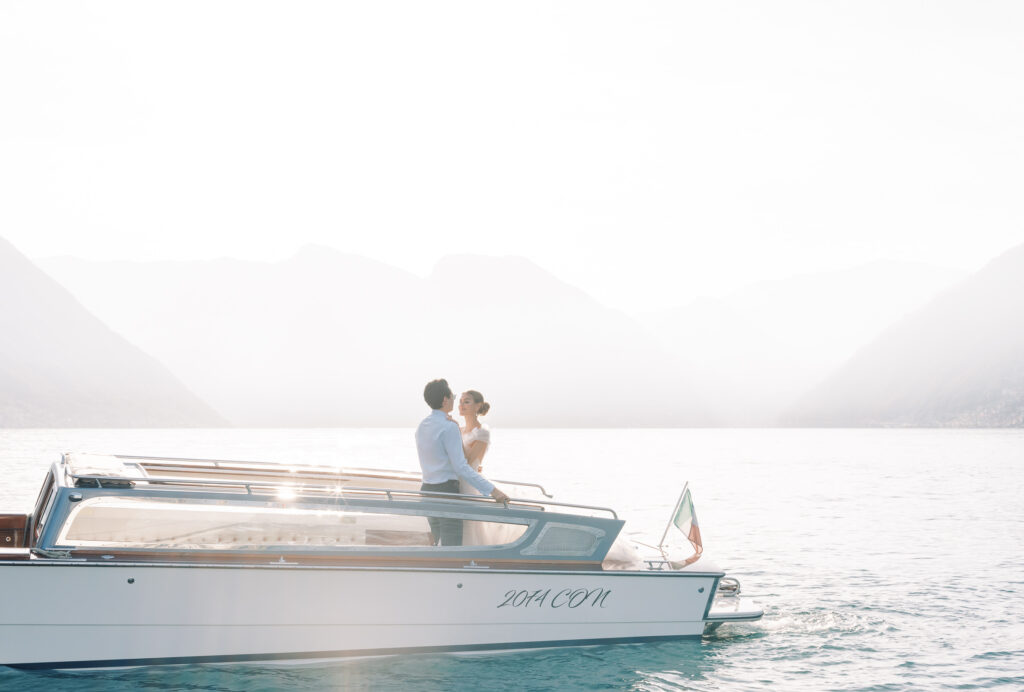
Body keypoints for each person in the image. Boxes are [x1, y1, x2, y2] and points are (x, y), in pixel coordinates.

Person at [415, 379, 509, 546]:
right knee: (452, 547)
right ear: (445, 400)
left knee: (437, 543)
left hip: (426, 490)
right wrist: (493, 491)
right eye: (453, 397)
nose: (455, 401)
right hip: (446, 491)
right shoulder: (449, 427)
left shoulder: (422, 425)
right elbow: (460, 466)